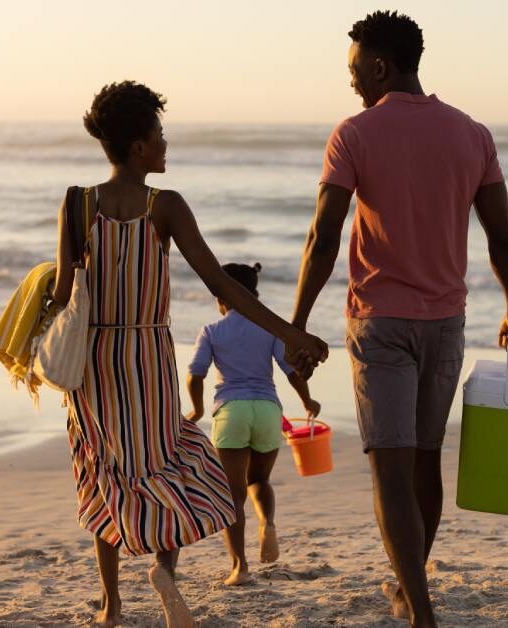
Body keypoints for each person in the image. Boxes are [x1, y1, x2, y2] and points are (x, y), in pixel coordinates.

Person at [54, 81, 328, 628]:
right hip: (149, 359)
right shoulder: (166, 206)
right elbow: (225, 288)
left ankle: (110, 604)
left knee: (105, 473)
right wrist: (290, 335)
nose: (165, 144)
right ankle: (165, 573)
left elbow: (62, 295)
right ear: (137, 147)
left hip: (95, 365)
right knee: (168, 465)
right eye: (159, 135)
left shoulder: (77, 203)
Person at [287, 11, 508, 627]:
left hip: (381, 324)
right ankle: (409, 588)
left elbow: (322, 236)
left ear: (379, 66)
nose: (350, 84)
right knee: (424, 460)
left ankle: (420, 611)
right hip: (446, 322)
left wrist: (296, 323)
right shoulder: (472, 134)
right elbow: (502, 235)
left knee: (390, 469)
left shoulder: (354, 134)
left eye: (353, 71)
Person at [184, 262, 321, 586]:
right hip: (268, 410)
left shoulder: (212, 331)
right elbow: (291, 370)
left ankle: (240, 566)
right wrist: (307, 401)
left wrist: (198, 408)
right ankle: (268, 523)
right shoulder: (269, 329)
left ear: (222, 297)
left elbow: (195, 374)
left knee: (232, 494)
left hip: (232, 410)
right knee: (259, 479)